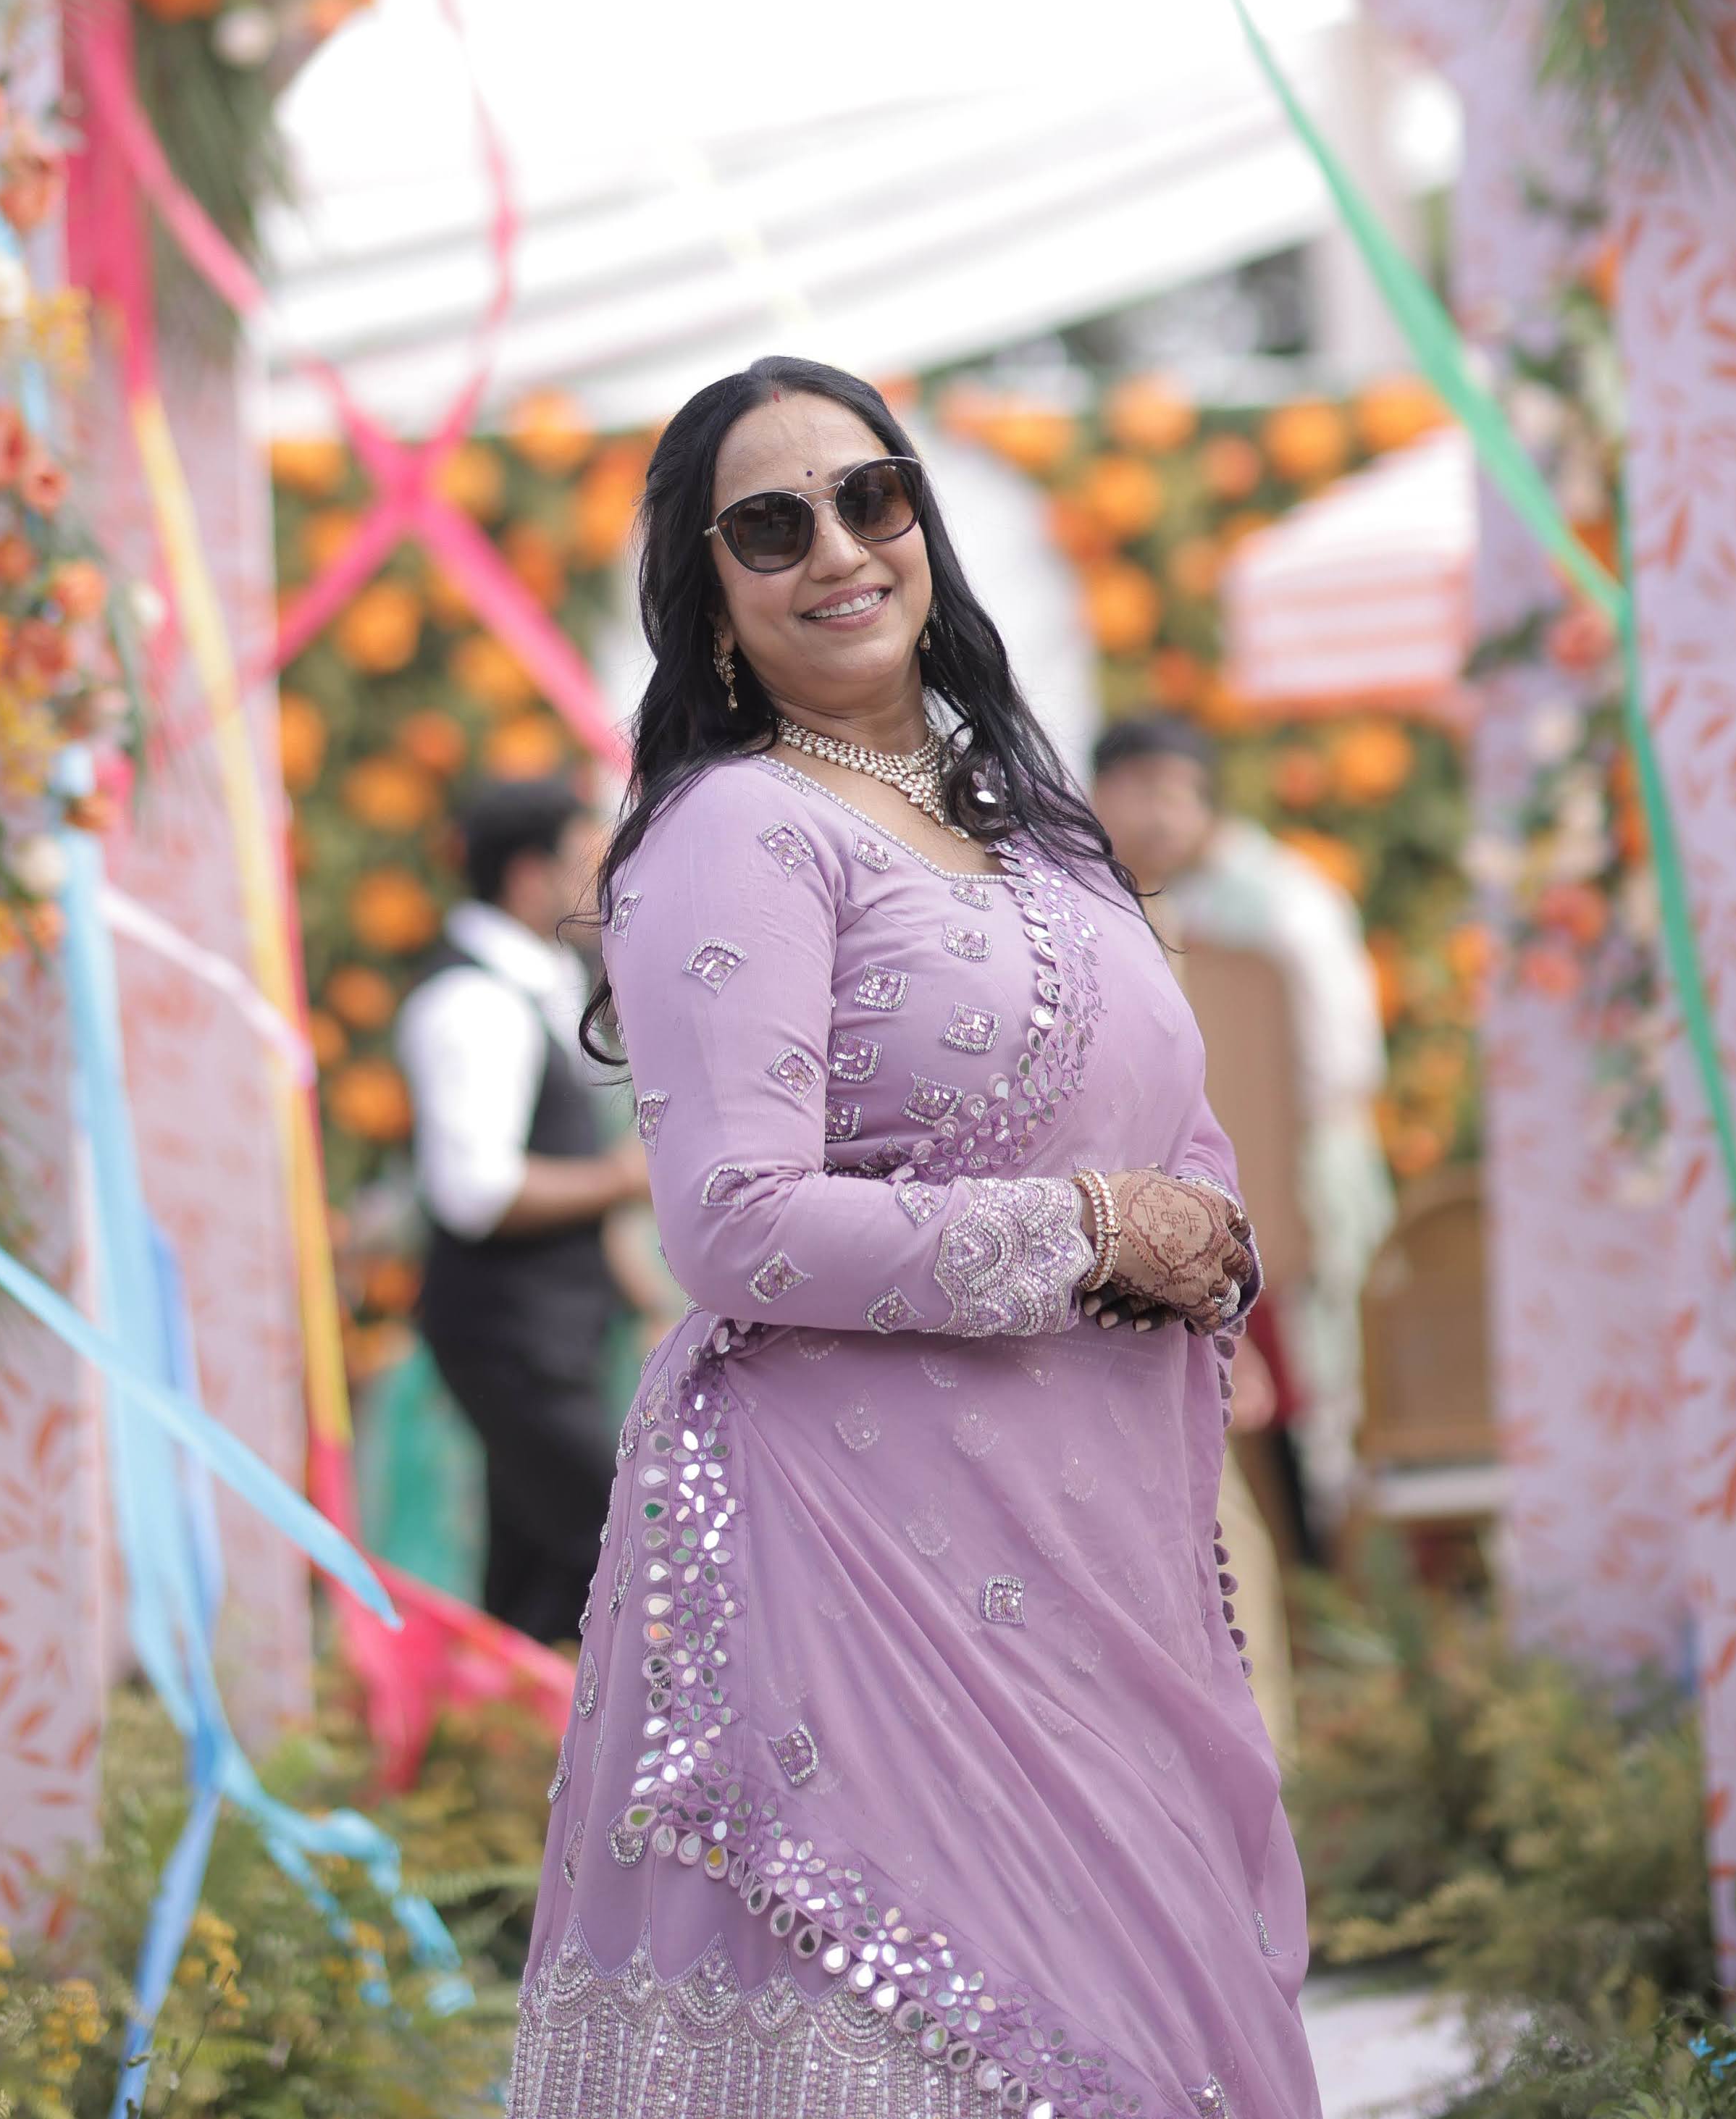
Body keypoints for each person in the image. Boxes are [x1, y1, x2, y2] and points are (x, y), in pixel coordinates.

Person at [512, 356, 1314, 2119]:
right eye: (769, 524)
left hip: (1096, 1535)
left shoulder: (1030, 829)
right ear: (708, 596)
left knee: (1151, 2003)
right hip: (858, 1550)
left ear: (921, 525)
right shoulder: (733, 830)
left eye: (870, 496)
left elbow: (1166, 1126)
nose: (836, 549)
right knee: (959, 2040)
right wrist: (1091, 1227)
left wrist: (1208, 1238)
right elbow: (734, 1226)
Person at [1093, 712, 1393, 1544]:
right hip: (1199, 1188)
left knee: (1317, 1397)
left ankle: (1329, 1581)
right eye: (1135, 791)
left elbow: (1335, 1068)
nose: (1155, 815)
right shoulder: (1127, 897)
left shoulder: (1275, 902)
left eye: (1171, 793)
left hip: (1285, 1174)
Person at [395, 778, 647, 1647]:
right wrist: (625, 1175)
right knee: (625, 1549)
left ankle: (500, 1758)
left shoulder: (537, 984)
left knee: (541, 1581)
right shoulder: (471, 1002)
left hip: (552, 1335)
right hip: (510, 1339)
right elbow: (477, 1191)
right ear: (531, 875)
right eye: (590, 857)